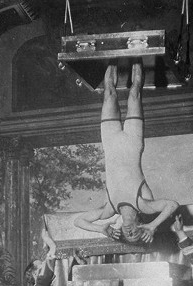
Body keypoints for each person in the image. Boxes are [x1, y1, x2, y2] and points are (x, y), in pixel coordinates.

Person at [74, 61, 179, 244]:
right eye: (135, 234)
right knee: (134, 93)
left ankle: (112, 58)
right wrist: (152, 226)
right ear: (141, 227)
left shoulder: (109, 209)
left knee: (109, 94)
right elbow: (172, 205)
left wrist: (100, 228)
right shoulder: (145, 206)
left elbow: (78, 221)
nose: (130, 232)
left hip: (111, 142)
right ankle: (137, 57)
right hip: (132, 142)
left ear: (120, 229)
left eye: (126, 235)